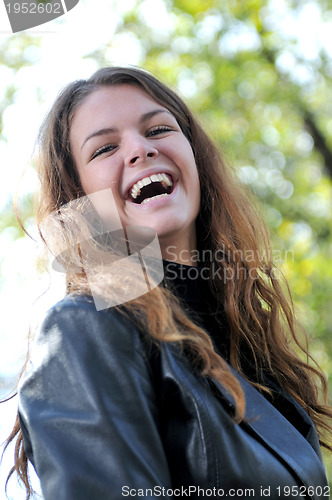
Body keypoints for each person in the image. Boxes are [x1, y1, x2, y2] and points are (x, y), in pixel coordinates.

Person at [3, 66, 332, 500]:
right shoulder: (84, 328)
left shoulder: (251, 350)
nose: (140, 149)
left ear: (194, 155)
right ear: (79, 198)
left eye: (158, 129)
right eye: (104, 149)